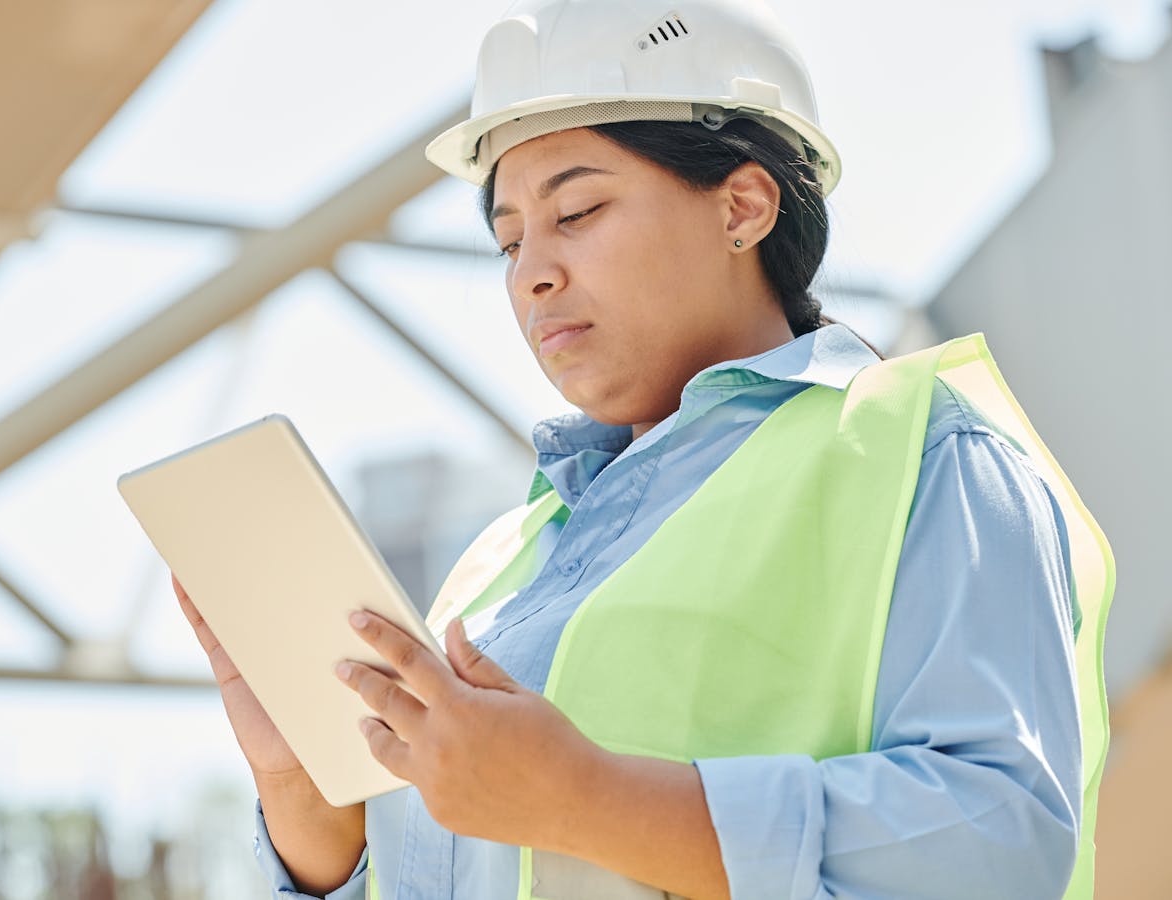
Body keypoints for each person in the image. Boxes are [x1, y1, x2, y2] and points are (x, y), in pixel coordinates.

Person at [173, 1, 1115, 897]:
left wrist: (589, 800)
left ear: (743, 206)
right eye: (509, 243)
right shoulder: (496, 572)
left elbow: (1001, 843)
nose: (535, 274)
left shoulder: (925, 456)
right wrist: (306, 795)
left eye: (576, 213)